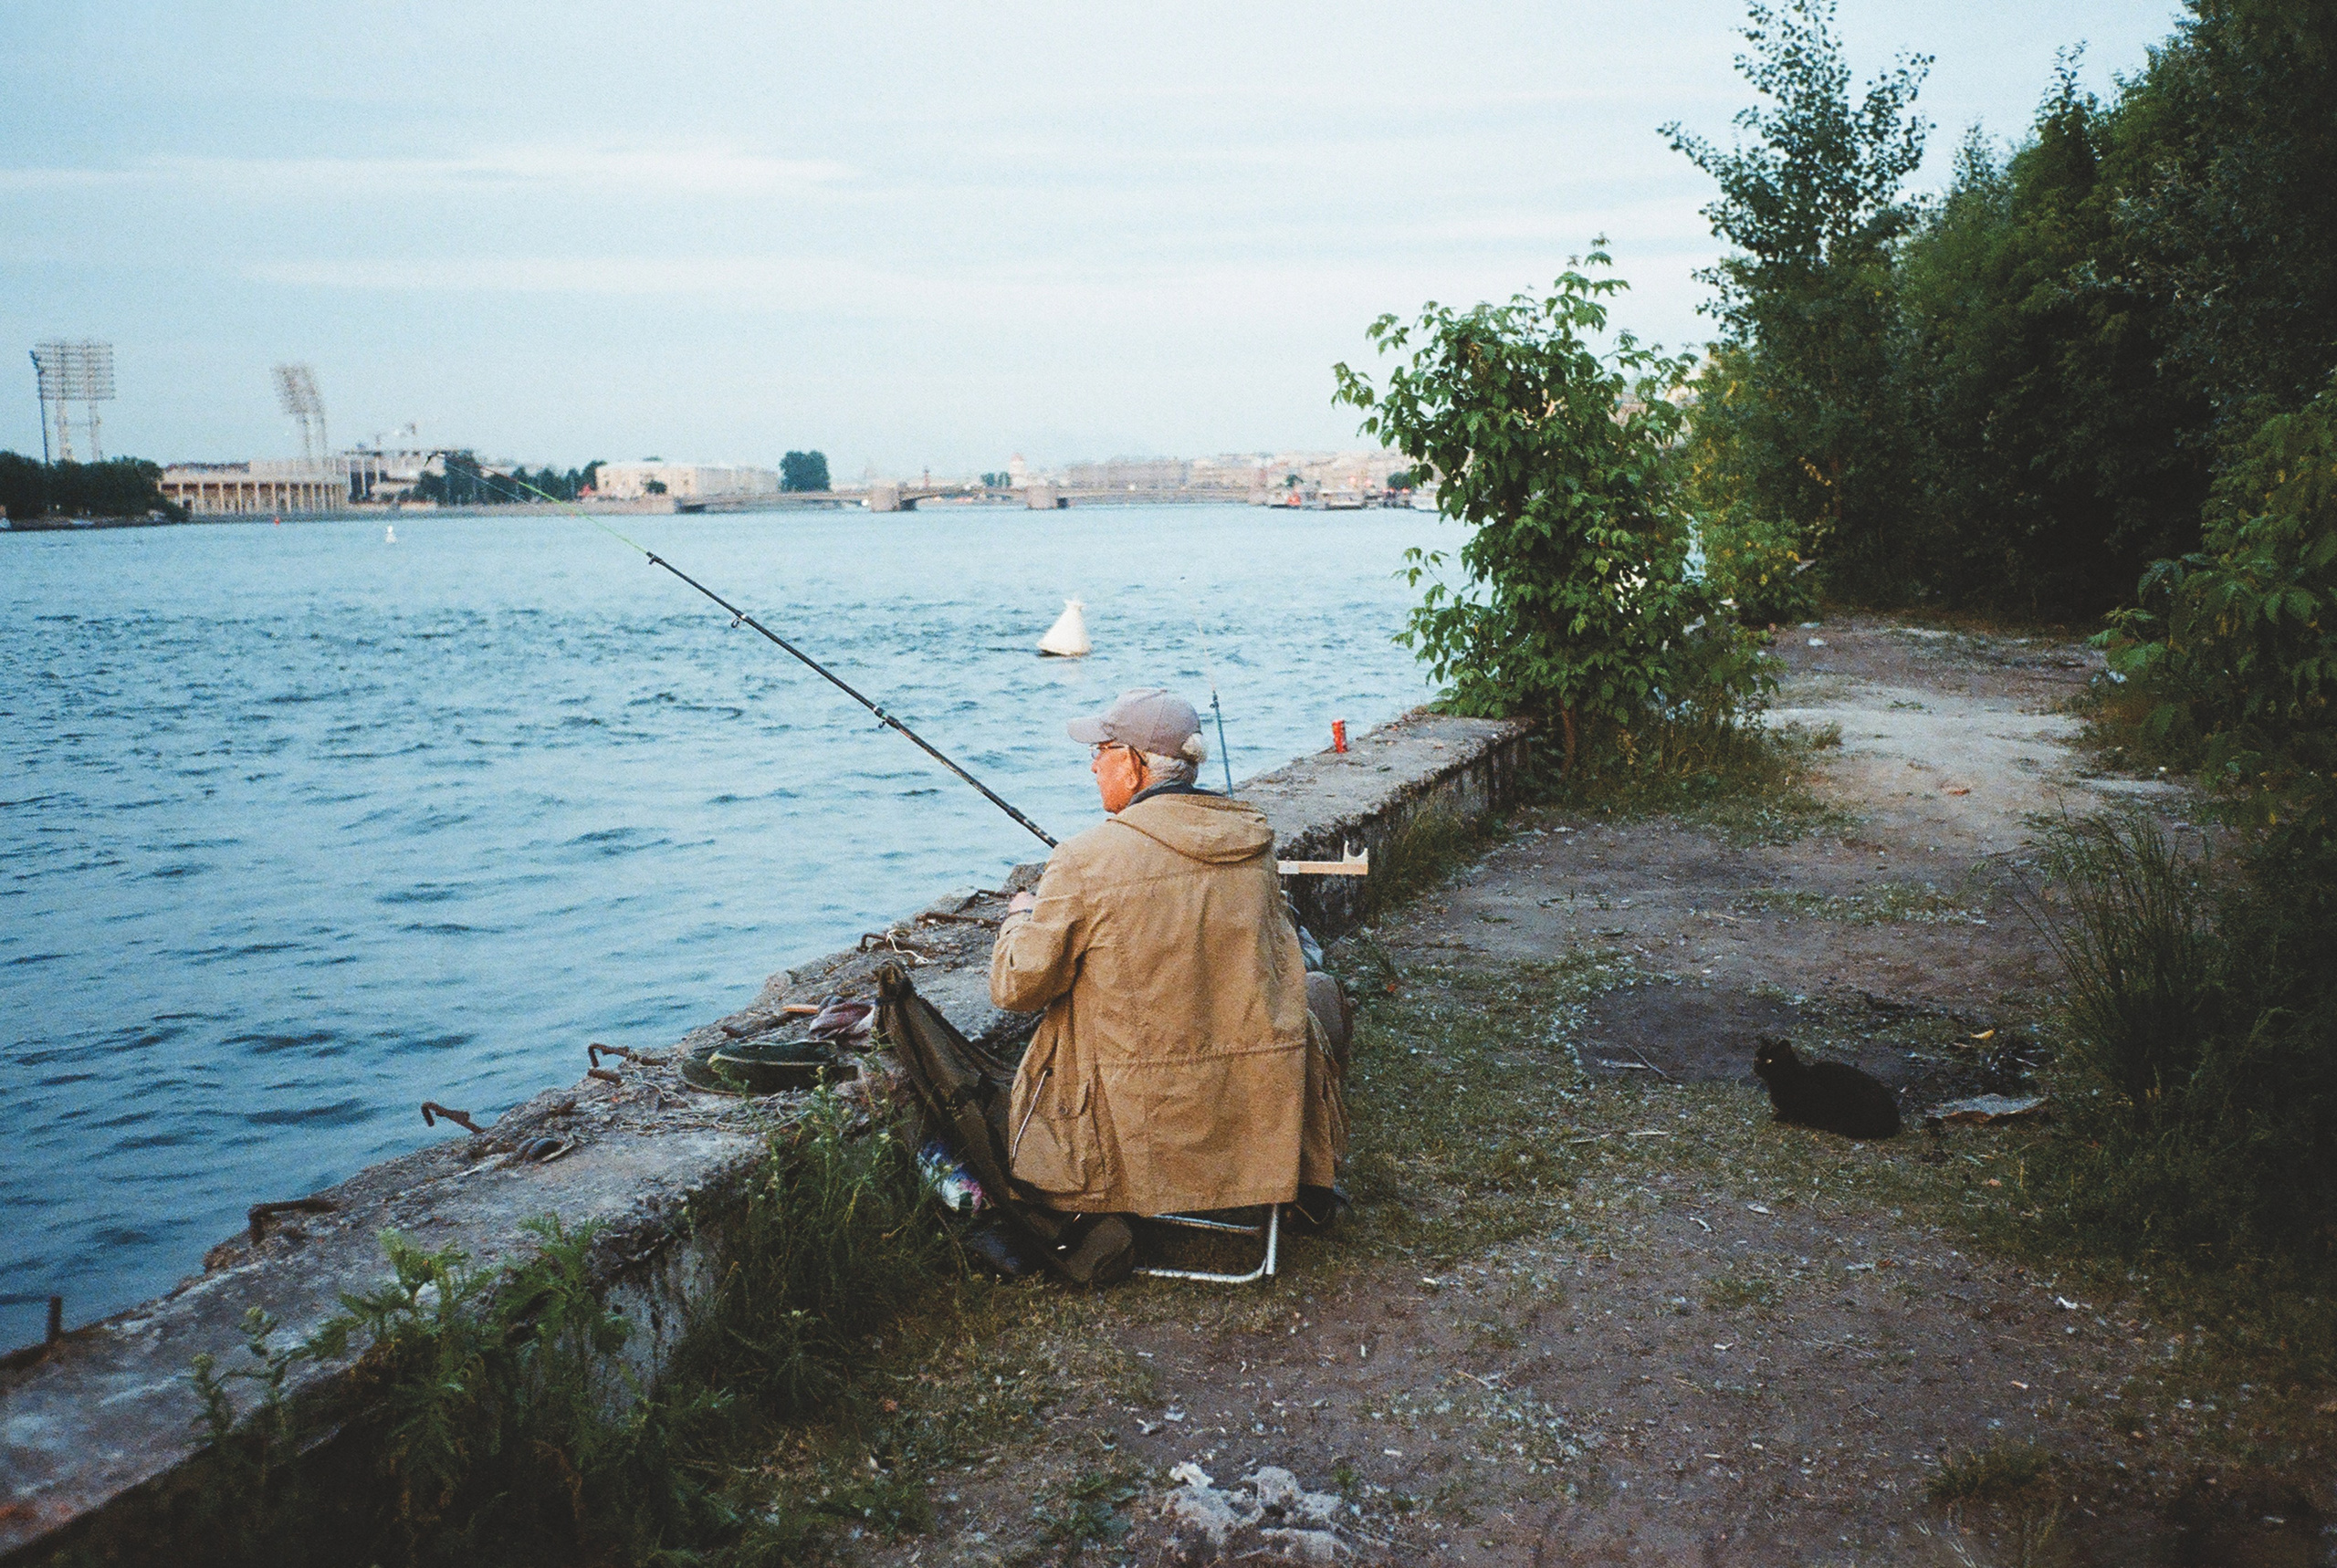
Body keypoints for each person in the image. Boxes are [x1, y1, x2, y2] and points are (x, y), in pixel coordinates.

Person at [989, 687, 1347, 1224]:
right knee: (1323, 996)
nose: (1093, 766)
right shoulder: (1253, 841)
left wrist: (1019, 917)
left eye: (1102, 751)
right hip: (1248, 1108)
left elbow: (1016, 988)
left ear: (1135, 765)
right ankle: (1286, 1186)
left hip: (1138, 1121)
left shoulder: (1082, 860)